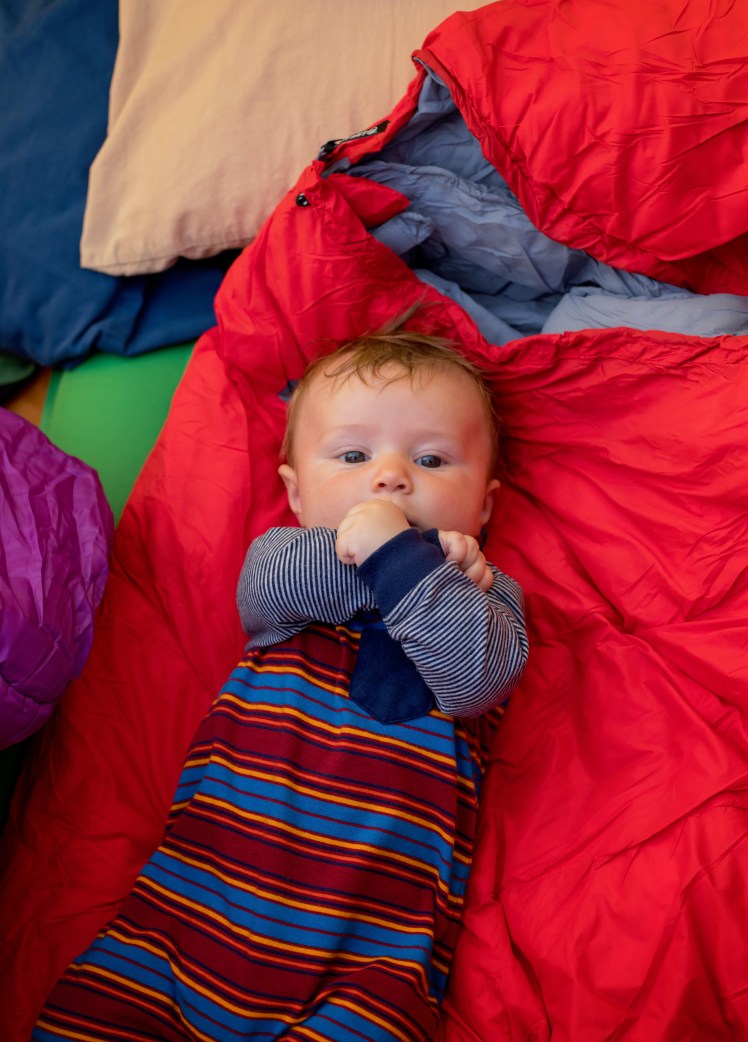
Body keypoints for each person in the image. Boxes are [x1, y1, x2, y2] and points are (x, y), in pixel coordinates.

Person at [34, 327, 528, 1042]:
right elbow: (276, 590)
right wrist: (392, 549)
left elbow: (473, 680)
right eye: (354, 456)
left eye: (431, 459)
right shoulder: (285, 559)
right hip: (188, 916)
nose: (392, 477)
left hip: (368, 965)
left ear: (483, 504)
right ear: (295, 491)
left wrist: (417, 568)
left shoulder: (492, 598)